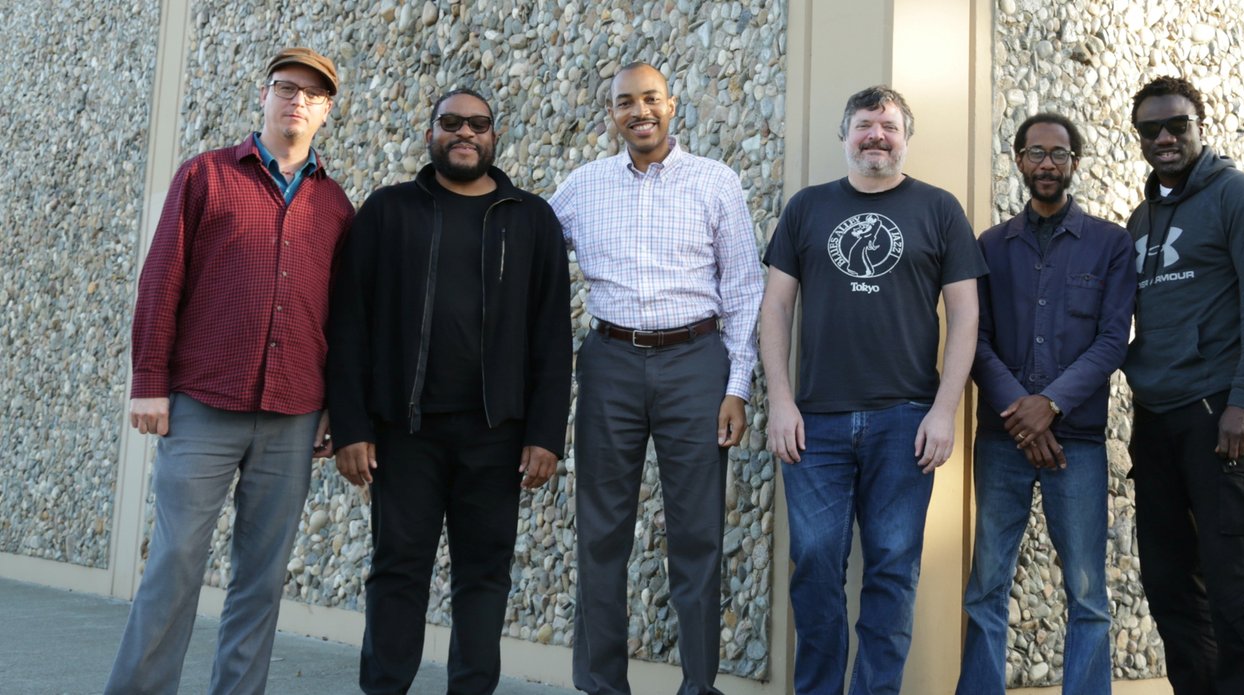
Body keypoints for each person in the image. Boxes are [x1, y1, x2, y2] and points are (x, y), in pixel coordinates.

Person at [108, 47, 353, 694]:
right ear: (265, 97)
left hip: (294, 414)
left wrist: (335, 405)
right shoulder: (206, 177)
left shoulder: (337, 207)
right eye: (285, 87)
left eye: (311, 93)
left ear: (327, 111)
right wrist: (149, 381)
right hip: (202, 406)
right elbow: (161, 281)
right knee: (176, 560)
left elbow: (343, 316)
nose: (296, 99)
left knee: (262, 576)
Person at [324, 88, 572, 694]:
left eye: (479, 124)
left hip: (498, 435)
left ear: (494, 136)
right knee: (396, 572)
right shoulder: (387, 211)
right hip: (403, 434)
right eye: (451, 122)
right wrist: (351, 426)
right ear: (431, 131)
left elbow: (552, 335)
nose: (466, 133)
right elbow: (348, 323)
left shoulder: (531, 217)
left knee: (484, 577)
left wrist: (545, 434)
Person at [759, 85, 987, 695]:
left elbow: (966, 317)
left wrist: (945, 411)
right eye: (865, 126)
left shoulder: (939, 209)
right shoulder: (807, 208)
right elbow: (775, 309)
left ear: (905, 138)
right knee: (814, 569)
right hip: (817, 424)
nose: (876, 137)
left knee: (892, 570)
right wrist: (780, 401)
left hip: (906, 421)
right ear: (845, 136)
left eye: (888, 127)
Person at [549, 62, 762, 695]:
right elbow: (528, 247)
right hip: (610, 363)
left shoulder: (715, 182)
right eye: (624, 102)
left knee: (697, 532)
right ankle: (600, 684)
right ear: (610, 113)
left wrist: (737, 387)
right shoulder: (583, 186)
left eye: (649, 99)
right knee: (601, 529)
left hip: (696, 363)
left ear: (671, 105)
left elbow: (745, 289)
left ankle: (699, 685)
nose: (638, 111)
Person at [955, 113, 1134, 694]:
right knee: (986, 584)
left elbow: (1113, 339)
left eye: (1058, 154)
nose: (1047, 164)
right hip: (1003, 439)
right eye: (1036, 153)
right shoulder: (989, 246)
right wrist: (1022, 412)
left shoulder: (1110, 244)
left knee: (1086, 589)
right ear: (1018, 161)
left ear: (1074, 163)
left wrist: (1050, 405)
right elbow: (973, 339)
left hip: (1076, 442)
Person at [1123, 76, 1244, 694]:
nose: (1165, 137)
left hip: (1222, 415)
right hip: (1156, 420)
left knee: (1235, 581)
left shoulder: (1238, 196)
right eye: (1151, 129)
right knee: (1169, 582)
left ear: (1200, 125)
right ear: (1139, 138)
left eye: (1177, 125)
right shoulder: (1141, 219)